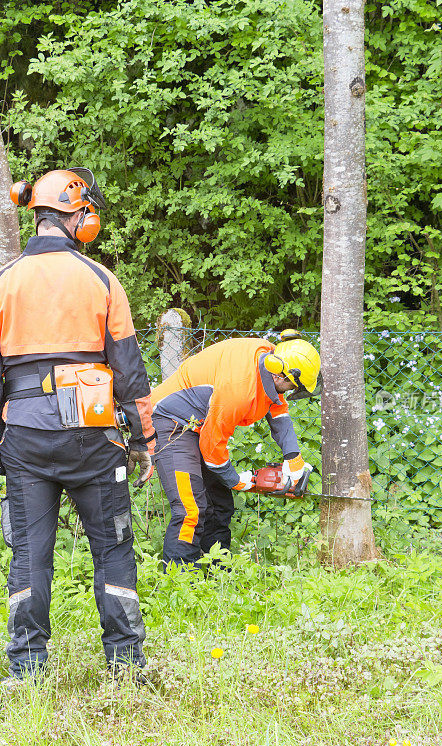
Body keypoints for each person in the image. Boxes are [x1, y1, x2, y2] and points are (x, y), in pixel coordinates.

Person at [0, 168, 155, 687]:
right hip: (92, 438)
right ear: (76, 215)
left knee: (29, 552)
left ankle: (25, 670)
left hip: (23, 437)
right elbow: (130, 372)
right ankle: (125, 665)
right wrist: (144, 439)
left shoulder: (6, 281)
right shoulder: (102, 280)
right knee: (112, 547)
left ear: (37, 214)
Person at [150, 331, 321, 567]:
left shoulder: (272, 358)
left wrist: (294, 459)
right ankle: (179, 581)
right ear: (281, 376)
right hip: (172, 423)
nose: (291, 391)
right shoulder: (239, 388)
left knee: (219, 505)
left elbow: (279, 413)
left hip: (202, 425)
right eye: (293, 386)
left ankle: (217, 572)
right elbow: (212, 448)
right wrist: (237, 480)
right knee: (191, 509)